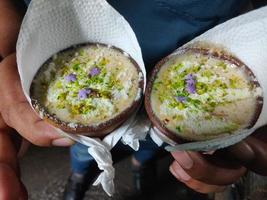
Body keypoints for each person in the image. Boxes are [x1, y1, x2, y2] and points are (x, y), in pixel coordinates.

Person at [0, 0, 267, 200]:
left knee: (157, 136)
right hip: (68, 33)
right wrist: (11, 36)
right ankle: (82, 174)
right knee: (86, 144)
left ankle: (141, 163)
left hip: (188, 32)